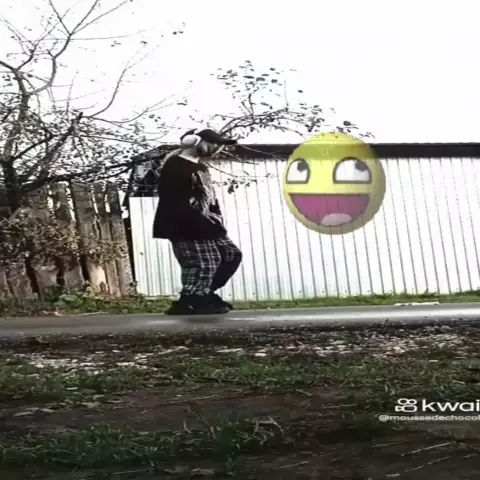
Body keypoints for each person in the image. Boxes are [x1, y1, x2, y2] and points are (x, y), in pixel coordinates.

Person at [152, 128, 243, 315]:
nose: (217, 148)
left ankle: (204, 293)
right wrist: (197, 222)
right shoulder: (175, 165)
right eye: (213, 144)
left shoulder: (201, 167)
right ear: (194, 141)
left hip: (209, 222)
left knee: (231, 254)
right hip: (185, 223)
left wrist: (216, 220)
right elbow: (175, 201)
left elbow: (209, 197)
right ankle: (190, 300)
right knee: (203, 262)